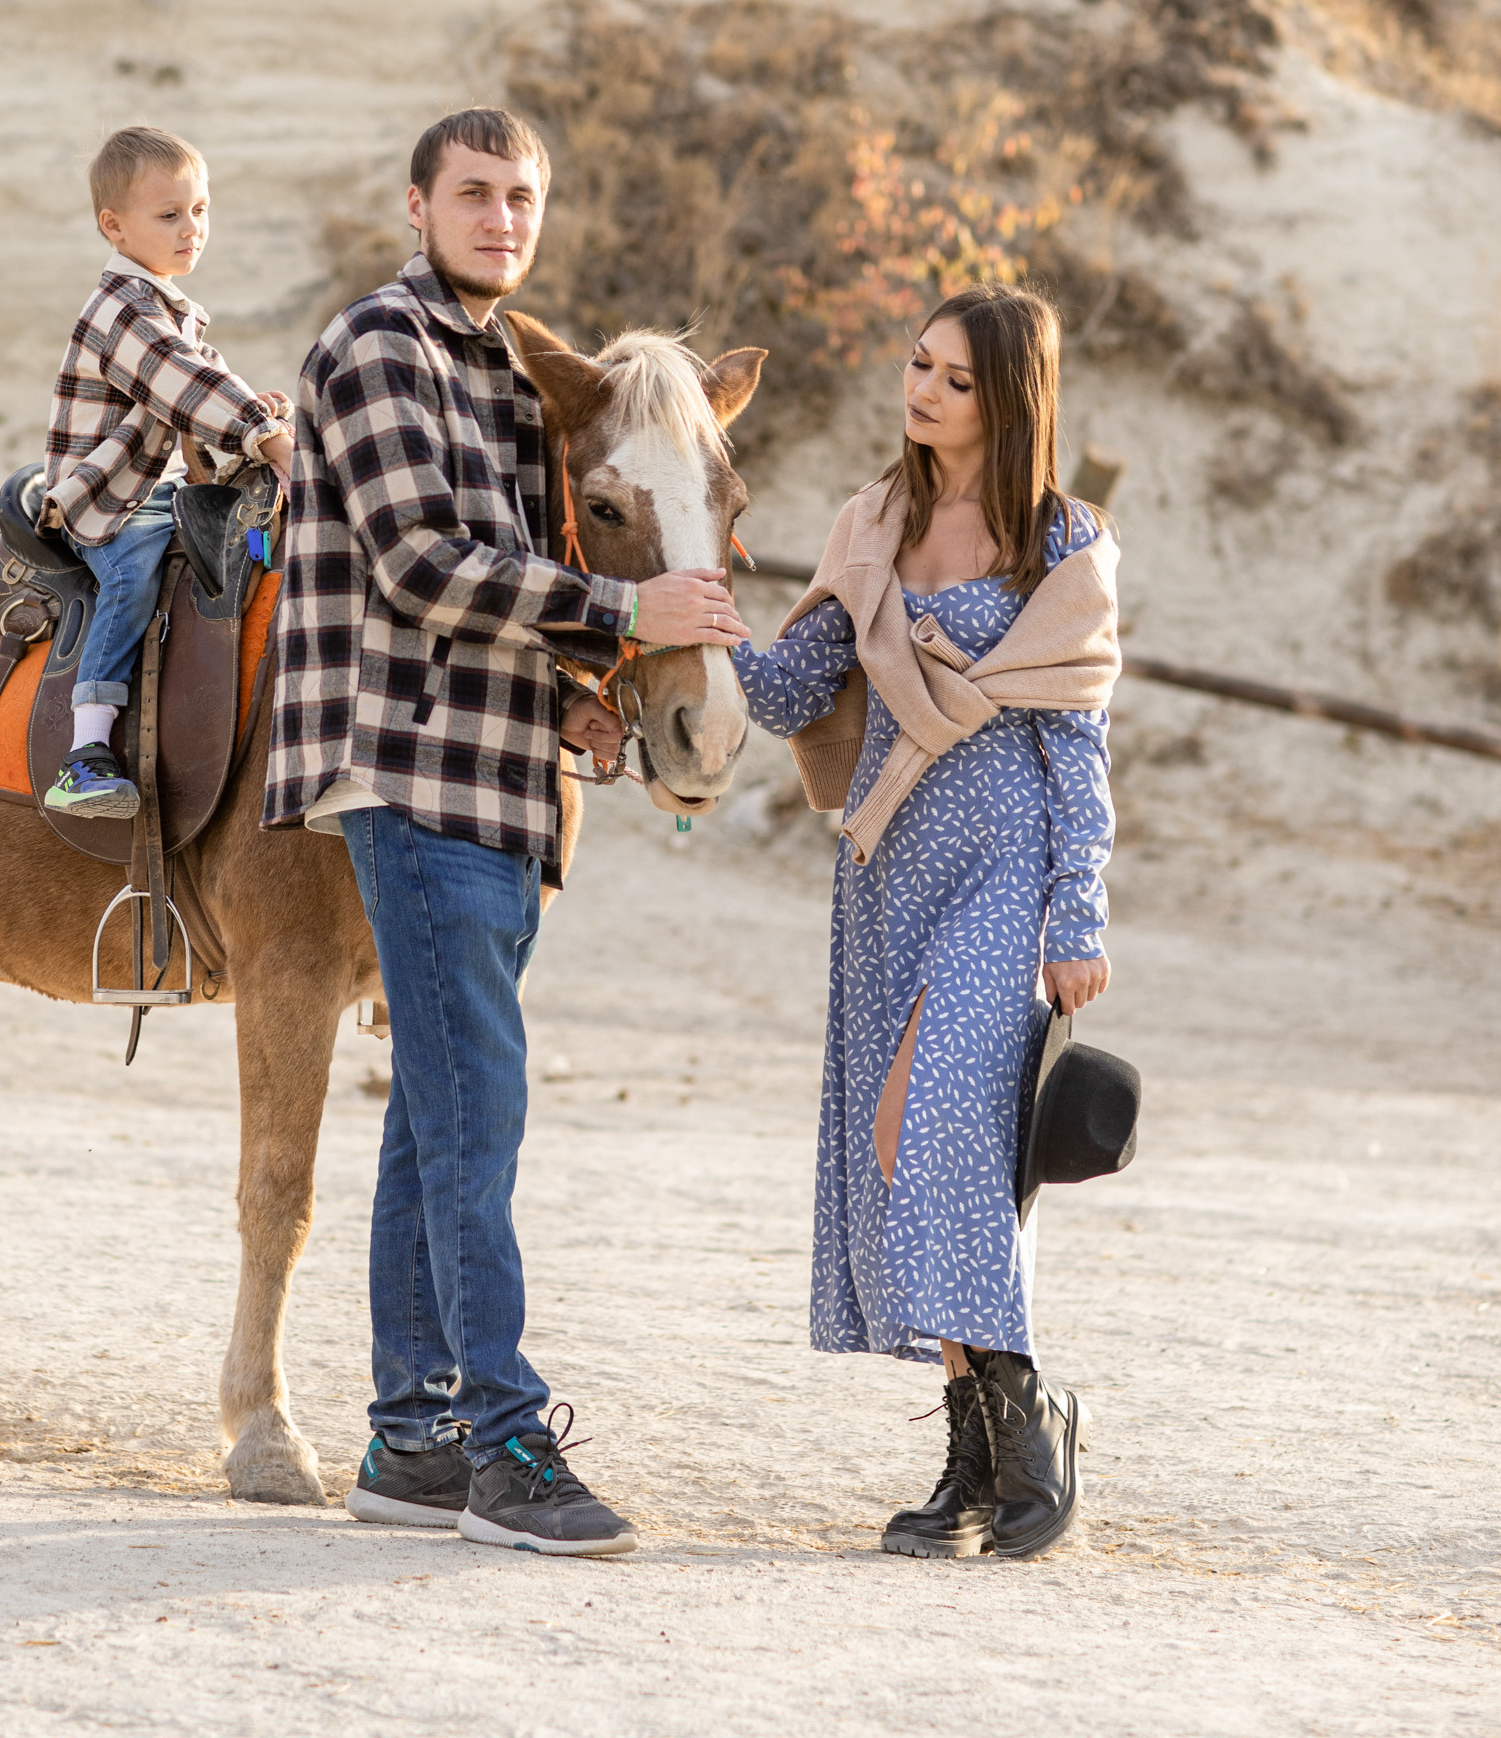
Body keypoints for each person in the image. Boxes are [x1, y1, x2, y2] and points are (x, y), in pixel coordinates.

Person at [265, 107, 747, 1555]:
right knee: (482, 1113)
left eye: (522, 195)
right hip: (407, 775)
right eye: (473, 194)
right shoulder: (376, 351)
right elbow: (417, 564)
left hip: (498, 778)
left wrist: (584, 704)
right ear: (417, 204)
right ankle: (505, 1444)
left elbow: (531, 569)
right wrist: (623, 617)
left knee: (433, 1121)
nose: (501, 217)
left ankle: (410, 1441)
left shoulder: (517, 372)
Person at [731, 285, 1119, 1561]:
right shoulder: (872, 522)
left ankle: (1027, 1419)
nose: (920, 391)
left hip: (1004, 867)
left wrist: (1078, 913)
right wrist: (696, 629)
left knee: (927, 1120)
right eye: (915, 365)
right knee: (912, 1158)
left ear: (1006, 397)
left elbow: (1076, 747)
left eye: (952, 379)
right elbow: (796, 689)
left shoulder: (1060, 542)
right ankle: (975, 1452)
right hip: (886, 868)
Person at [39, 124, 295, 820]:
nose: (193, 229)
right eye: (170, 215)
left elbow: (206, 378)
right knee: (134, 570)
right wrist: (266, 435)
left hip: (151, 489)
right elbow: (180, 380)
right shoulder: (122, 310)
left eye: (201, 209)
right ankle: (85, 753)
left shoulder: (169, 309)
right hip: (106, 502)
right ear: (114, 227)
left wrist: (254, 410)